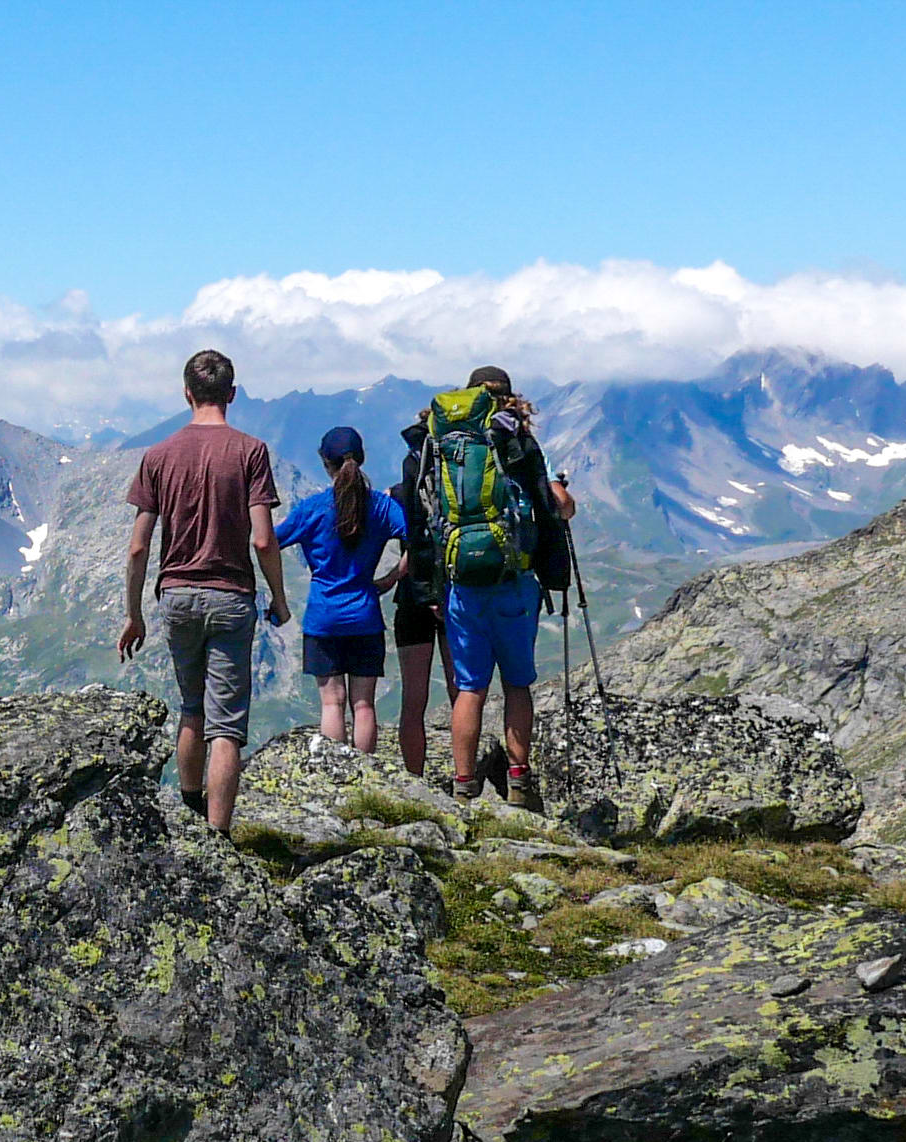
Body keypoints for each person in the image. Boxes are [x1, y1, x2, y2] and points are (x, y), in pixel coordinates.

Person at [117, 346, 287, 826]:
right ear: (231, 394)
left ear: (187, 393)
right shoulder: (250, 451)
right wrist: (277, 596)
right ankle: (218, 836)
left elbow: (137, 547)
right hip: (231, 596)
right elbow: (262, 537)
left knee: (192, 709)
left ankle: (190, 814)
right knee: (226, 726)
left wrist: (134, 614)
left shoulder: (158, 455)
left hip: (176, 596)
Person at [398, 364, 570, 805]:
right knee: (517, 684)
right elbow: (555, 508)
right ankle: (517, 781)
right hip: (513, 581)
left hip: (459, 586)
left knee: (470, 687)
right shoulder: (517, 442)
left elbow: (419, 522)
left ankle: (463, 786)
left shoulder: (434, 443)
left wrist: (429, 590)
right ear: (509, 397)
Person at [276, 425, 406, 749]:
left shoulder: (312, 509)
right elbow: (419, 544)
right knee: (364, 706)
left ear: (325, 463)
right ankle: (366, 789)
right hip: (365, 613)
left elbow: (268, 542)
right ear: (361, 459)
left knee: (331, 703)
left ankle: (340, 786)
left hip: (324, 617)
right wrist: (391, 578)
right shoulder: (382, 506)